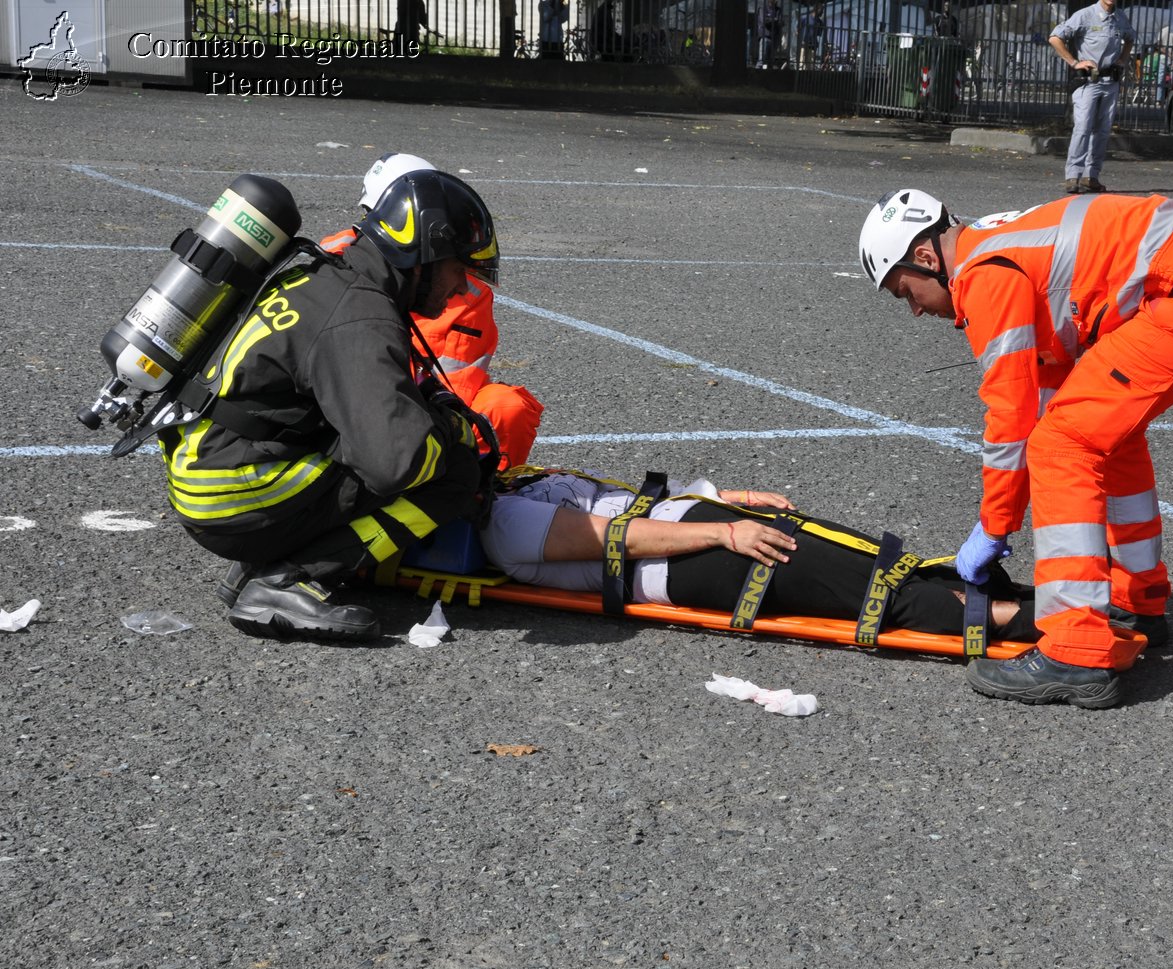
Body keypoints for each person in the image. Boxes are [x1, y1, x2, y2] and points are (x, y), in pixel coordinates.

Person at [859, 188, 1173, 708]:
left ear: (925, 258)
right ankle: (1135, 602)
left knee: (1062, 444)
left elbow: (1011, 420)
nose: (915, 312)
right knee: (1099, 433)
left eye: (906, 293)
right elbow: (1048, 384)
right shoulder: (995, 246)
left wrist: (994, 526)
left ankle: (1077, 651)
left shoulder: (984, 275)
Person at [162, 170, 502, 642]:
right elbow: (395, 463)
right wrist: (454, 431)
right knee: (451, 470)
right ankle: (287, 579)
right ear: (428, 253)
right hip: (233, 494)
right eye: (461, 270)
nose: (464, 291)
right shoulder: (360, 315)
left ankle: (263, 560)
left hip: (207, 469)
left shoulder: (327, 273)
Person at [480, 470, 1042, 642]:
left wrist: (720, 500)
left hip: (695, 528)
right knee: (862, 594)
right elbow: (620, 539)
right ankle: (1016, 621)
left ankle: (1029, 599)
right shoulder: (504, 523)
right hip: (680, 562)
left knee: (877, 557)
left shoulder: (519, 486)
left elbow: (633, 503)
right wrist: (725, 531)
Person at [322, 153, 544, 472]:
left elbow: (459, 383)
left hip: (428, 407)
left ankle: (483, 492)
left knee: (506, 407)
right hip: (356, 412)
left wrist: (436, 435)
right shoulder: (334, 261)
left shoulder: (467, 287)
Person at [1048, 0, 1138, 193]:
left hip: (1110, 82)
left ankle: (1091, 176)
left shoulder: (1120, 17)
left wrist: (1122, 59)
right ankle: (1073, 176)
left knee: (1103, 130)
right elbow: (1055, 38)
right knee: (1083, 128)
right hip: (1088, 82)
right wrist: (1073, 62)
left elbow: (1130, 37)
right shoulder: (1084, 15)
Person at [758, 0, 783, 67]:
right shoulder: (763, 8)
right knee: (761, 61)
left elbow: (781, 22)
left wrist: (772, 20)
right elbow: (765, 21)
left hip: (775, 38)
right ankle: (756, 75)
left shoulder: (778, 10)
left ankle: (767, 76)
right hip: (765, 37)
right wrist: (775, 20)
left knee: (771, 62)